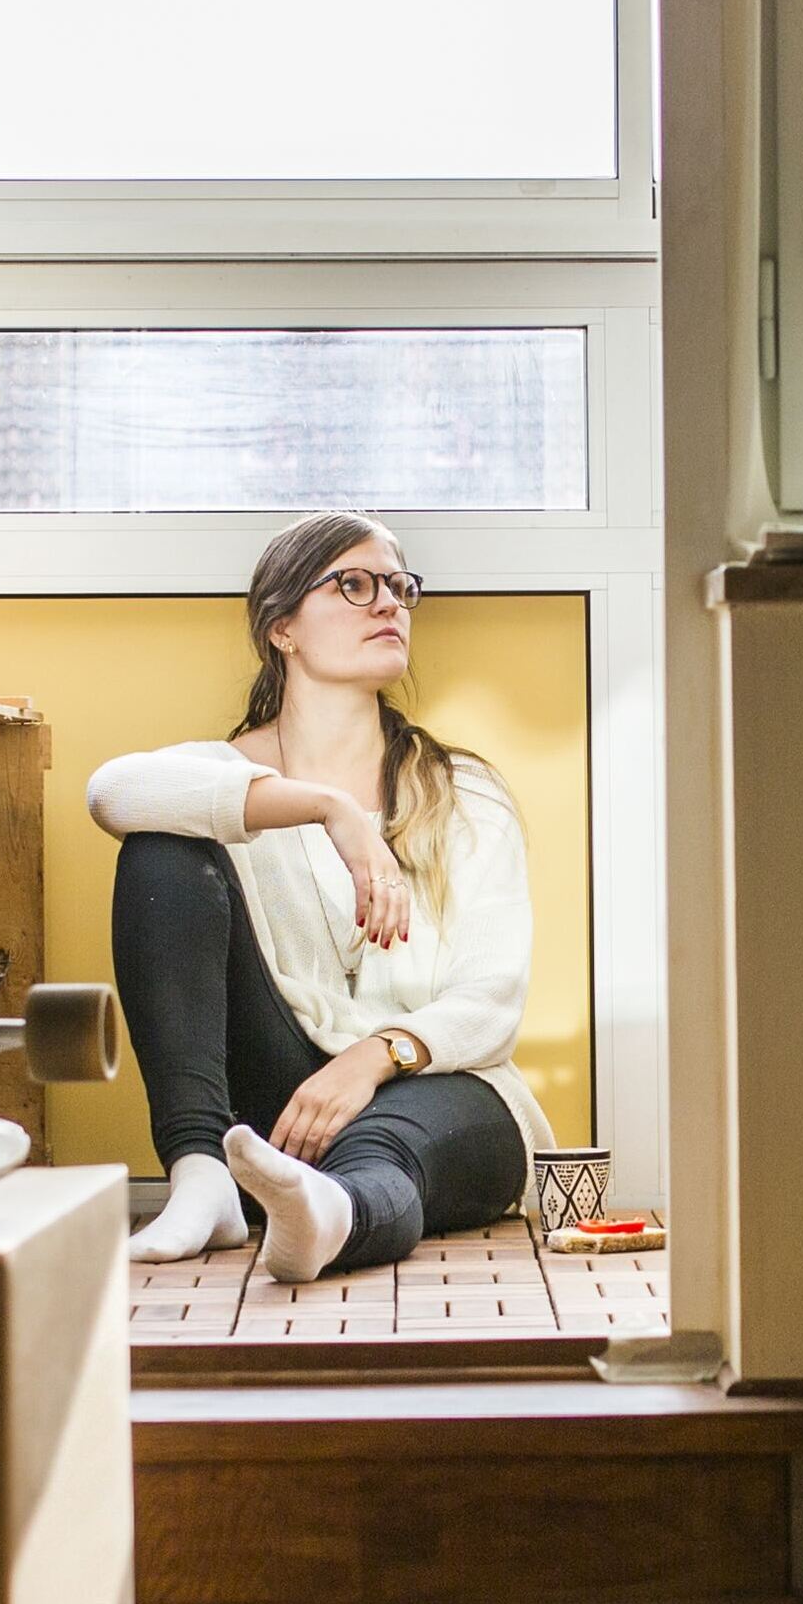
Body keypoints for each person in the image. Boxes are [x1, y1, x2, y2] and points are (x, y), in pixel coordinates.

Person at [88, 510, 549, 1283]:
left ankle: (330, 1213)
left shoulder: (461, 793)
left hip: (435, 1093)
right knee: (161, 848)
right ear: (282, 628)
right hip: (276, 1105)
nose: (389, 605)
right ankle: (201, 1176)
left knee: (387, 1148)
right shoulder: (216, 777)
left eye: (400, 588)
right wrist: (326, 809)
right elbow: (111, 792)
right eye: (355, 584)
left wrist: (373, 1057)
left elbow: (493, 996)